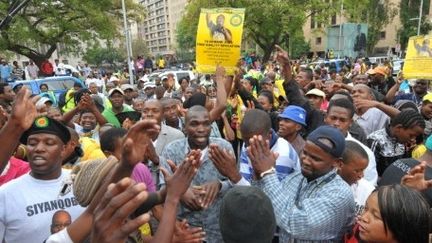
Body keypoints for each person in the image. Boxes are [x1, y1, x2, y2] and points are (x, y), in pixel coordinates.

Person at [248, 125, 355, 242]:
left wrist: (268, 172)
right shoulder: (296, 177)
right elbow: (268, 207)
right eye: (305, 153)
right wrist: (258, 174)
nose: (305, 161)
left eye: (316, 158)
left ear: (337, 163)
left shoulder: (340, 194)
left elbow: (293, 223)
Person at [0, 116, 85, 243]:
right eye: (32, 143)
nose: (38, 148)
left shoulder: (81, 182)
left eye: (49, 143)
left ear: (63, 149)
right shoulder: (5, 194)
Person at [159, 105, 234, 243]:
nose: (201, 129)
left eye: (206, 124)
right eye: (194, 124)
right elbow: (163, 189)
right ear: (185, 126)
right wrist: (181, 192)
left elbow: (237, 183)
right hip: (185, 231)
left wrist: (220, 185)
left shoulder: (224, 148)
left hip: (219, 231)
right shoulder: (171, 151)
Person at [236, 109, 300, 184]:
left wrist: (235, 177)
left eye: (257, 142)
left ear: (269, 135)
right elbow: (245, 183)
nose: (250, 147)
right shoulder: (247, 143)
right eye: (246, 142)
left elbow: (273, 192)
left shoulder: (283, 154)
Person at [350, 185, 430, 243]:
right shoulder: (359, 233)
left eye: (376, 216)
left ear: (401, 228)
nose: (363, 217)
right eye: (366, 208)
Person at [325, 98, 378, 185]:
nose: (336, 123)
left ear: (350, 122)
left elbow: (368, 185)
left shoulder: (364, 152)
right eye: (333, 118)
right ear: (325, 117)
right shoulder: (313, 143)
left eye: (342, 120)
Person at [368, 109, 425, 176]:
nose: (413, 139)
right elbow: (369, 172)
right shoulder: (376, 141)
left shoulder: (402, 143)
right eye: (411, 135)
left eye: (415, 136)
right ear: (399, 128)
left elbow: (403, 168)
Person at [338, 141, 375, 216]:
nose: (361, 175)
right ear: (340, 164)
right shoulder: (323, 185)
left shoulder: (367, 190)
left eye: (363, 170)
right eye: (357, 171)